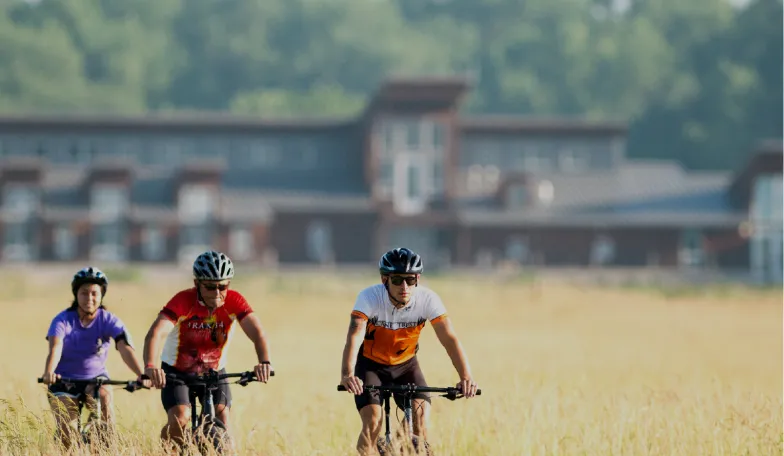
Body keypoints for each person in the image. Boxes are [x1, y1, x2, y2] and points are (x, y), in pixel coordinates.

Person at [339, 247, 479, 455]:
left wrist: (466, 377)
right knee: (373, 422)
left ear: (418, 279)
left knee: (420, 420)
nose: (404, 286)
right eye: (397, 280)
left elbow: (449, 339)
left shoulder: (428, 299)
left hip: (405, 366)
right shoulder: (369, 297)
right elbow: (355, 336)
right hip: (370, 365)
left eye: (410, 280)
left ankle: (395, 449)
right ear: (384, 279)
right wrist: (348, 374)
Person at [142, 250, 273, 451]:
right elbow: (156, 333)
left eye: (223, 286)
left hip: (214, 371)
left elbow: (258, 332)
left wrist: (264, 362)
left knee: (223, 417)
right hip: (177, 372)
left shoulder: (233, 301)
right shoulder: (183, 301)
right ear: (197, 285)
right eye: (211, 287)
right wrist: (150, 366)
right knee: (180, 417)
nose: (218, 293)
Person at [40, 266, 149, 450]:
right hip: (64, 380)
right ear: (76, 294)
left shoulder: (109, 320)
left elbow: (125, 349)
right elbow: (55, 348)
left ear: (101, 295)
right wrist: (49, 372)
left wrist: (142, 374)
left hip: (96, 380)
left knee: (106, 420)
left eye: (94, 293)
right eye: (84, 293)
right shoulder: (63, 320)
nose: (89, 299)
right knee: (68, 433)